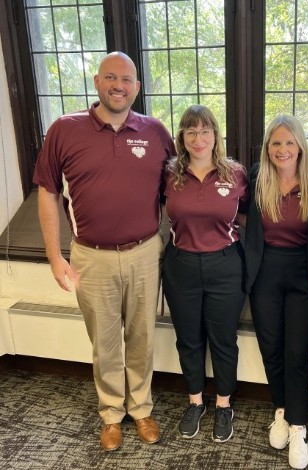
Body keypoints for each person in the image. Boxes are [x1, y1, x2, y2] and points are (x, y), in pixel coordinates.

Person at [33, 51, 176, 452]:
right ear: (97, 81)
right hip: (89, 256)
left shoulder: (155, 131)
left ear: (137, 87)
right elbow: (46, 192)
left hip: (146, 251)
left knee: (142, 336)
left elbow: (178, 188)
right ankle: (112, 413)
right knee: (105, 341)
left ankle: (141, 408)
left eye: (127, 79)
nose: (119, 85)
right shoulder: (64, 128)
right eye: (111, 77)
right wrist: (55, 256)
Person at [244, 115, 308, 469]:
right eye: (276, 143)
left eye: (289, 143)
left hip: (303, 274)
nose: (283, 149)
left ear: (300, 147)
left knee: (298, 352)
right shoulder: (255, 179)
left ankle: (298, 425)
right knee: (271, 347)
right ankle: (280, 410)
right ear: (268, 147)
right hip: (265, 271)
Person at [161, 104, 248, 443]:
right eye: (191, 131)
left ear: (216, 135)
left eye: (206, 131)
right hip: (180, 265)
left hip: (225, 266)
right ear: (182, 136)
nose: (199, 138)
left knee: (223, 339)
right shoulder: (168, 173)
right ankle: (195, 401)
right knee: (189, 338)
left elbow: (253, 215)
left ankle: (224, 405)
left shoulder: (235, 173)